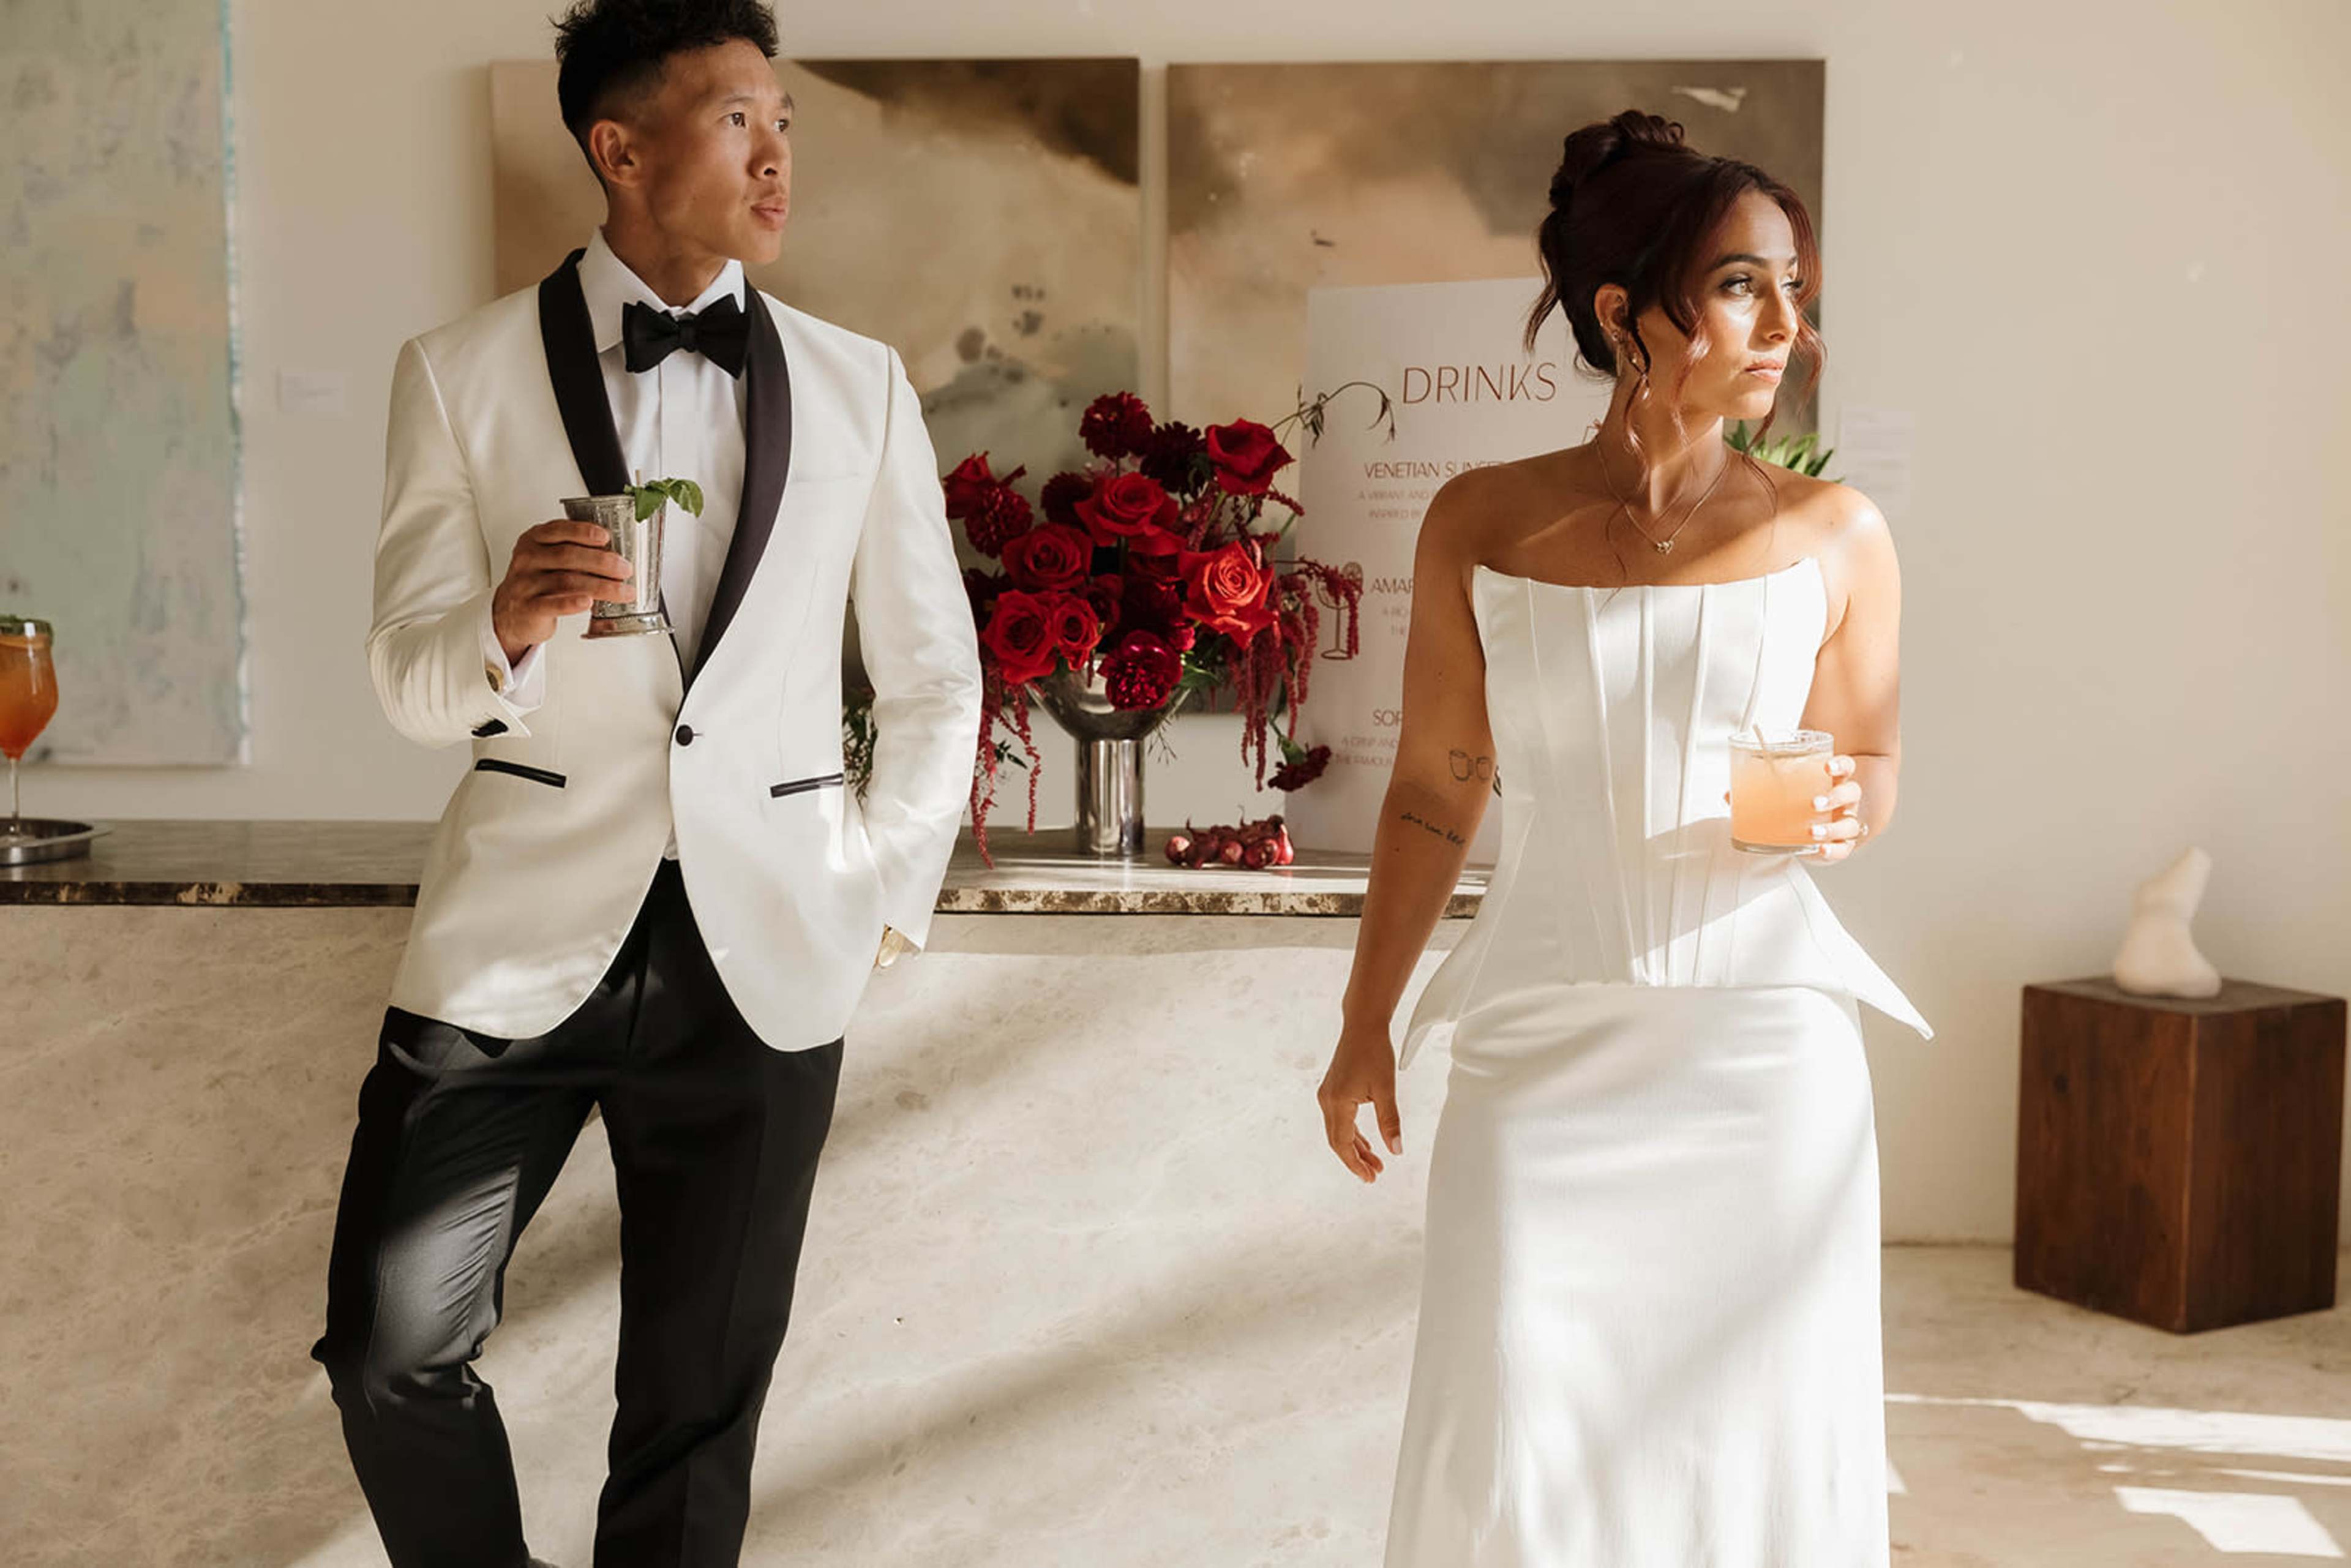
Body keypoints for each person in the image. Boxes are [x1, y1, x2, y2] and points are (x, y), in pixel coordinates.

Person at [309, 4, 981, 1564]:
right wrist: (501, 627)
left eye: (784, 121)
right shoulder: (459, 372)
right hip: (513, 947)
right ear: (620, 149)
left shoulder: (861, 383)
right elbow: (407, 677)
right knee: (389, 1352)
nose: (776, 154)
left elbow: (936, 678)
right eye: (738, 120)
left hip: (766, 951)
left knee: (693, 1422)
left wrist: (877, 893)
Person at [1316, 110, 1935, 1567]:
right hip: (1536, 1047)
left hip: (1766, 1062)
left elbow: (1870, 769)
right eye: (1741, 286)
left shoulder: (1840, 532)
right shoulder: (1482, 521)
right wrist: (1364, 1024)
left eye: (1793, 289)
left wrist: (1842, 807)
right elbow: (1436, 790)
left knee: (1755, 1446)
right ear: (1621, 314)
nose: (1785, 325)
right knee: (1516, 1437)